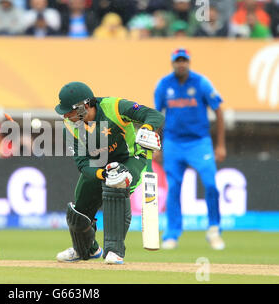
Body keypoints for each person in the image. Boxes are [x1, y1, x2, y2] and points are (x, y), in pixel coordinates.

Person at [54, 81, 164, 264]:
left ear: (85, 106)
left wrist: (147, 129)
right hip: (101, 165)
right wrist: (103, 174)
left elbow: (153, 115)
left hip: (132, 158)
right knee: (78, 209)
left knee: (117, 182)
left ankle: (115, 250)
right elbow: (82, 164)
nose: (66, 115)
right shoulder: (70, 124)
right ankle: (86, 250)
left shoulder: (114, 107)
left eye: (70, 111)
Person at [154, 48, 226, 250]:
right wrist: (157, 144)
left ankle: (214, 229)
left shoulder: (201, 83)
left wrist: (220, 145)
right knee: (174, 188)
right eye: (178, 61)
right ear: (172, 63)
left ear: (189, 62)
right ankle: (172, 234)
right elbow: (157, 116)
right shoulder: (164, 85)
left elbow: (218, 110)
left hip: (199, 142)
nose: (181, 64)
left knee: (211, 184)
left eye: (184, 60)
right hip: (174, 142)